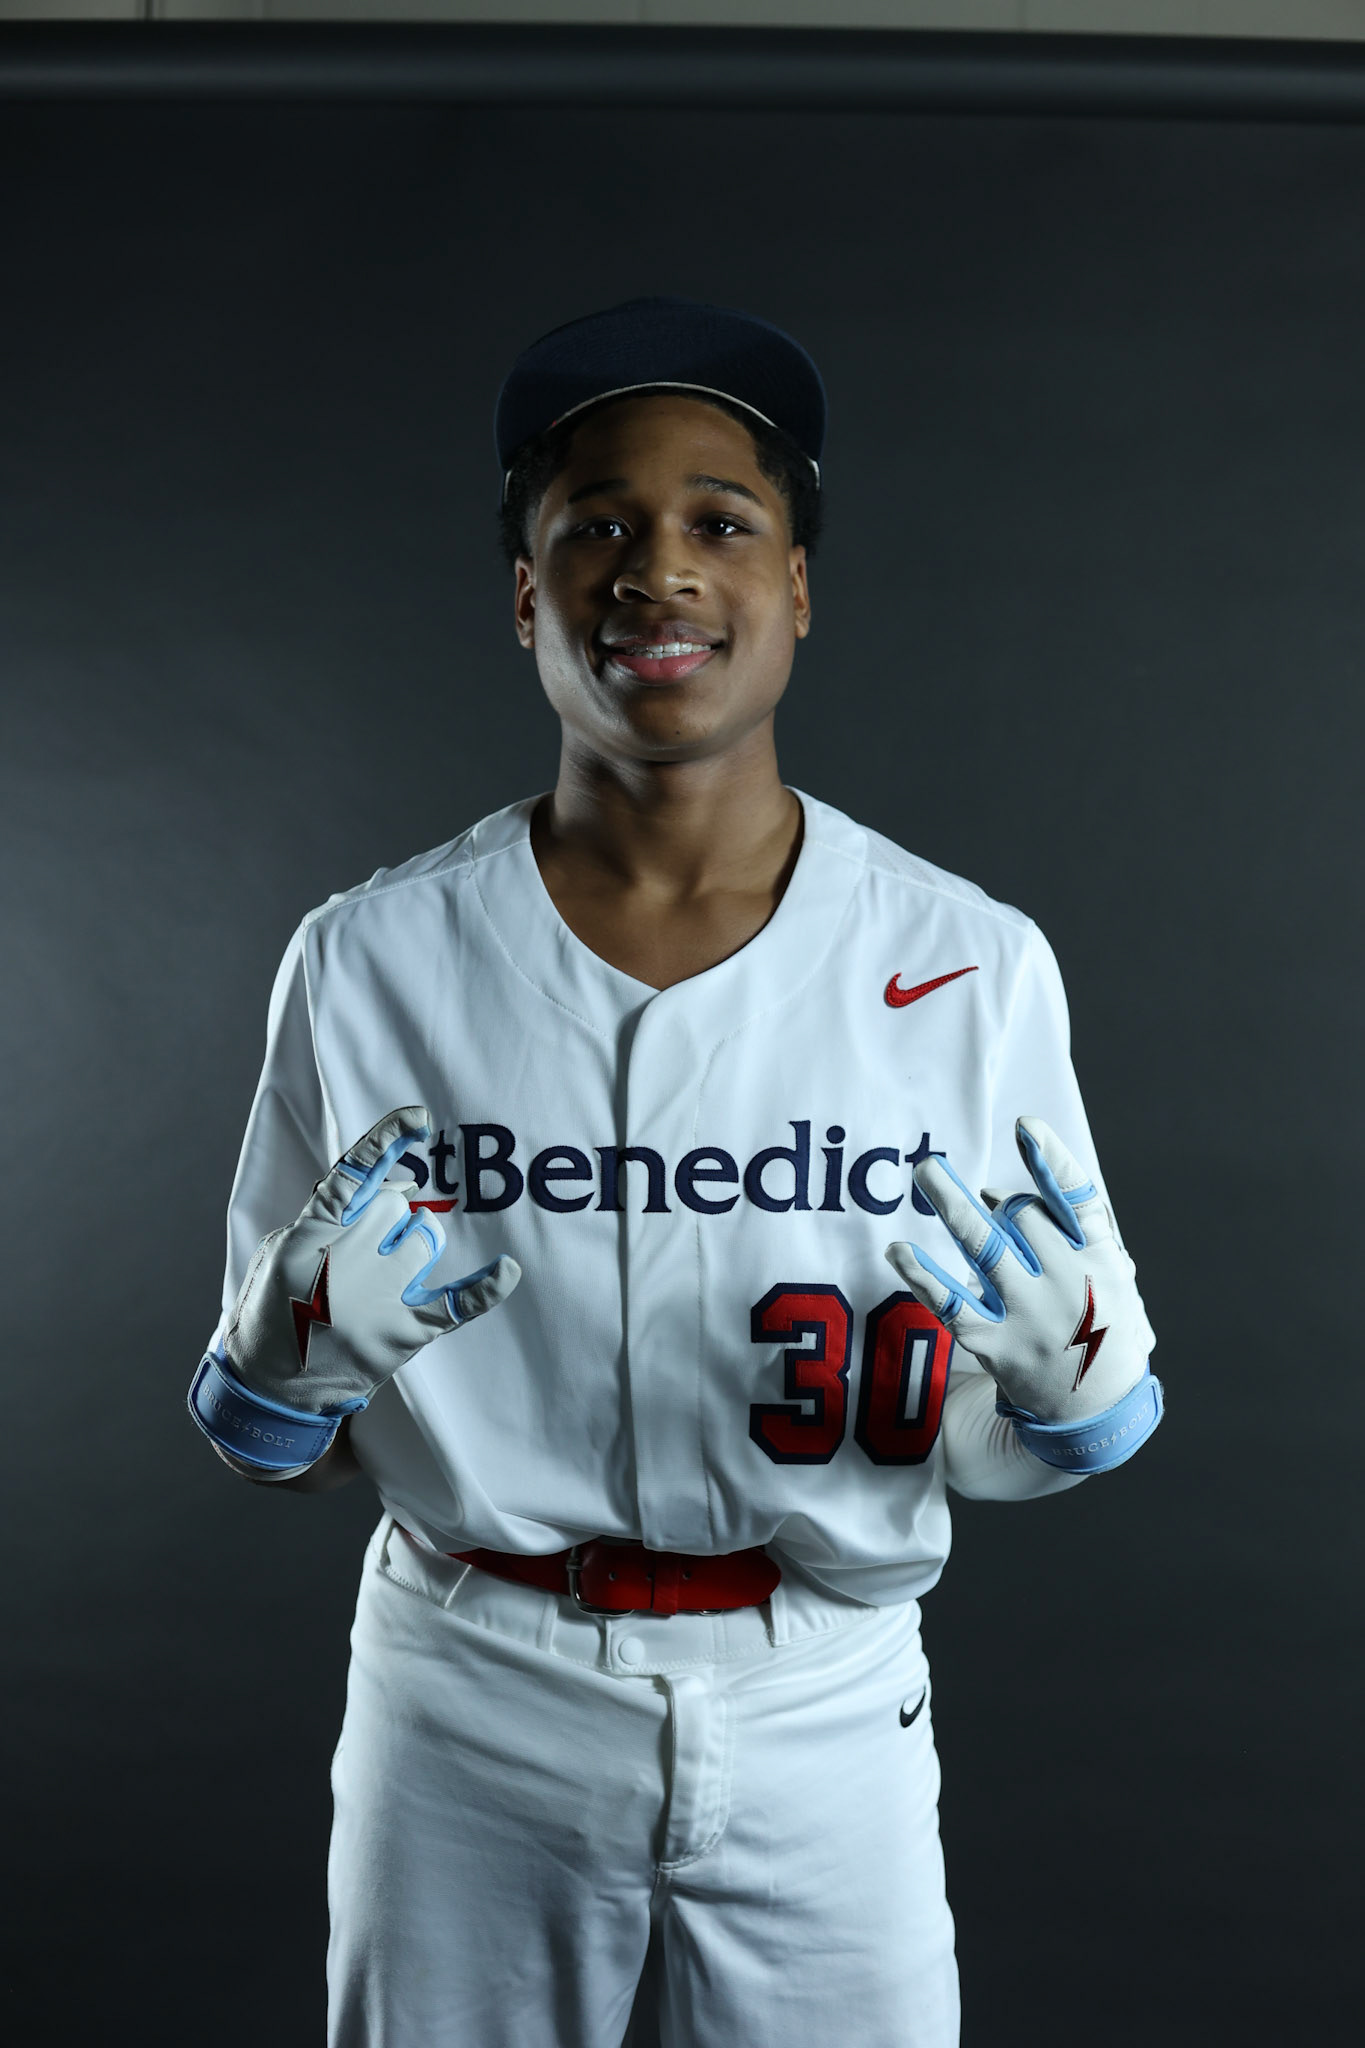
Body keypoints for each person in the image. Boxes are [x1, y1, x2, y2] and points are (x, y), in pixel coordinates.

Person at [189, 297, 1161, 2048]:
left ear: (798, 588)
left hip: (824, 1685)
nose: (659, 571)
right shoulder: (368, 959)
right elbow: (278, 1444)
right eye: (597, 529)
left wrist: (1083, 1381)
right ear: (525, 597)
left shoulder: (968, 959)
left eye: (721, 522)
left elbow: (1075, 1415)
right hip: (471, 1678)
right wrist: (280, 1369)